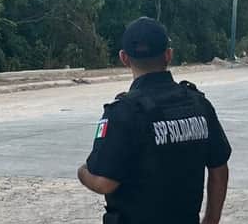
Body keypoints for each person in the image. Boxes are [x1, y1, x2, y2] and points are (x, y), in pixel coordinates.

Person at [79, 17, 232, 223]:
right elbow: (219, 167)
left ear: (124, 58)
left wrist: (82, 172)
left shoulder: (124, 112)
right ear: (168, 55)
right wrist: (212, 219)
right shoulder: (198, 104)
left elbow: (104, 183)